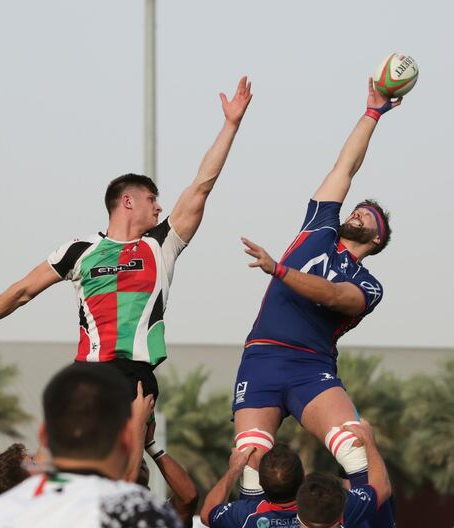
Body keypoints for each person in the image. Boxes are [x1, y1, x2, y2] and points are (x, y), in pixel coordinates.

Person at [0, 77, 254, 400]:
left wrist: (230, 125)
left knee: (125, 450)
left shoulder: (160, 243)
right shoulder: (79, 251)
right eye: (152, 199)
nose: (159, 207)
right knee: (58, 448)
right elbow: (22, 291)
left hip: (135, 377)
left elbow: (201, 186)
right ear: (127, 202)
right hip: (88, 374)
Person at [233, 77, 400, 496]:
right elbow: (346, 166)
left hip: (311, 367)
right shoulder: (319, 227)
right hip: (263, 357)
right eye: (357, 208)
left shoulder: (368, 285)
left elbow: (333, 295)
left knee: (355, 449)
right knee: (252, 465)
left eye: (367, 217)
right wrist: (373, 112)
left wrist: (279, 270)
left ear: (376, 240)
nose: (357, 213)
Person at [0, 363, 181, 527]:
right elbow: (128, 487)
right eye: (32, 461)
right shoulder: (141, 511)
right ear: (124, 438)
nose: (38, 461)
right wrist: (139, 427)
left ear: (44, 436)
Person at [202, 421, 391, 528]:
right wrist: (369, 442)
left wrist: (234, 469)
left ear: (261, 483)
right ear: (302, 478)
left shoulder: (246, 516)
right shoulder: (336, 506)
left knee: (251, 453)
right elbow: (381, 488)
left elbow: (207, 513)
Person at [137, 421, 198, 527]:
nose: (140, 462)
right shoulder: (108, 509)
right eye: (134, 461)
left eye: (143, 461)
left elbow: (189, 497)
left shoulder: (160, 513)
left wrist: (150, 444)